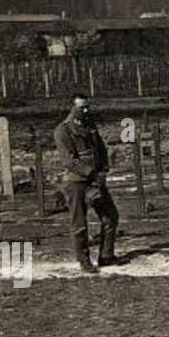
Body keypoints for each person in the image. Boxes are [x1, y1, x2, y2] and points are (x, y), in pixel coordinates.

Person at [53, 95, 119, 273]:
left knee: (110, 216)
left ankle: (106, 256)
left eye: (87, 107)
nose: (86, 111)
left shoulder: (90, 126)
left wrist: (103, 170)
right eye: (81, 108)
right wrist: (92, 174)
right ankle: (84, 261)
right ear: (72, 108)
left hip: (96, 180)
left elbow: (101, 150)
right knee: (79, 224)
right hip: (76, 183)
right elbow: (70, 161)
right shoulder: (63, 131)